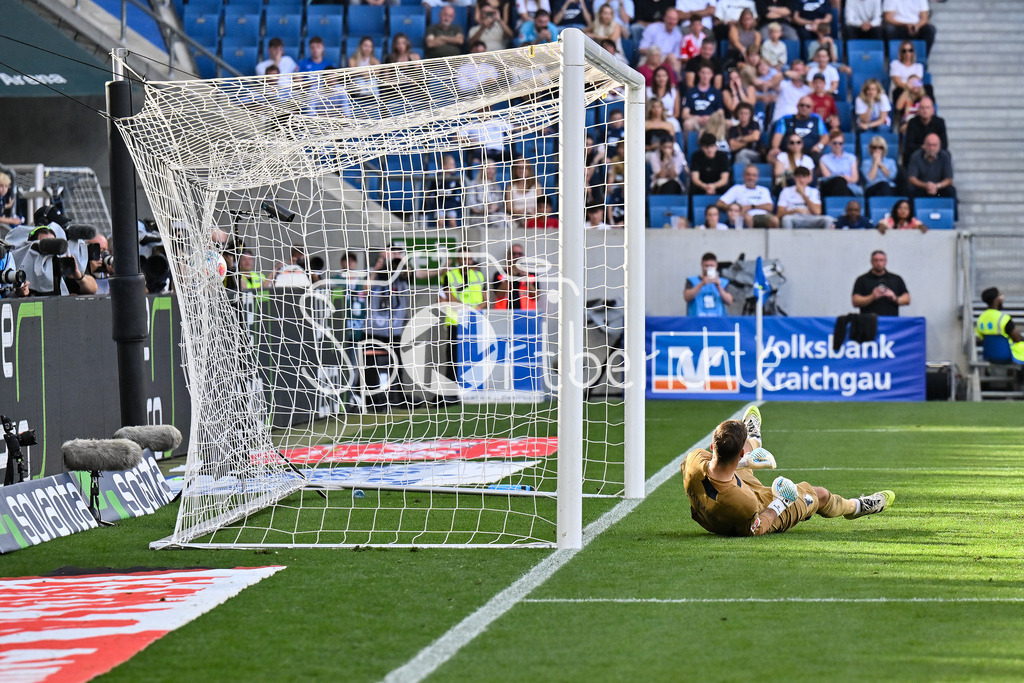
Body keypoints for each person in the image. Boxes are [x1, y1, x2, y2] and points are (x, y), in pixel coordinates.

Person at [682, 406, 895, 537]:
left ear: (712, 445)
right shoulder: (745, 503)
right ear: (737, 456)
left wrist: (745, 462)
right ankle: (856, 507)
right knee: (819, 494)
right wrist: (781, 502)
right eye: (741, 456)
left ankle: (754, 439)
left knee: (742, 448)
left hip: (717, 497)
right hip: (748, 511)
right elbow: (757, 527)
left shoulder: (694, 459)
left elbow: (719, 463)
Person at [769, 95, 828, 163]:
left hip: (811, 154)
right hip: (788, 154)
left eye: (808, 106)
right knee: (773, 156)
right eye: (802, 105)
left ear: (812, 108)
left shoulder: (817, 119)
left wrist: (819, 146)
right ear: (797, 106)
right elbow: (778, 135)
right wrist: (775, 147)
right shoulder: (786, 119)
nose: (804, 108)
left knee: (824, 160)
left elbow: (825, 136)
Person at [851, 249, 910, 316]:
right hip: (868, 322)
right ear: (871, 262)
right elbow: (855, 301)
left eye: (881, 260)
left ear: (885, 261)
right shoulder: (862, 280)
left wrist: (895, 298)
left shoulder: (896, 279)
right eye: (876, 260)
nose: (879, 263)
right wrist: (872, 297)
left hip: (891, 322)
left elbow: (907, 299)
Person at [975, 287, 1024, 365]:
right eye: (1000, 296)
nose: (1002, 298)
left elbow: (981, 337)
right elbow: (1017, 338)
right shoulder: (1003, 318)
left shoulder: (981, 318)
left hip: (989, 355)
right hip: (1006, 355)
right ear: (996, 300)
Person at [907, 133, 956, 205]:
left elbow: (949, 179)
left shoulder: (945, 156)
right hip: (922, 188)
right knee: (911, 190)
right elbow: (912, 178)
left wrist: (937, 186)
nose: (932, 148)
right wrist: (926, 185)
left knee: (951, 191)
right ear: (924, 145)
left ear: (939, 146)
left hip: (939, 189)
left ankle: (954, 216)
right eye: (929, 145)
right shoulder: (916, 156)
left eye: (934, 145)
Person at [684, 251, 734, 316]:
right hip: (696, 320)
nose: (708, 269)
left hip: (718, 321)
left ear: (716, 266)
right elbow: (687, 297)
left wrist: (719, 287)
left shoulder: (723, 282)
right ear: (702, 265)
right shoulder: (692, 280)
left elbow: (729, 301)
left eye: (711, 266)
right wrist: (702, 284)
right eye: (706, 266)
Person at [902, 96, 946, 167]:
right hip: (918, 152)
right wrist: (925, 148)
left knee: (946, 154)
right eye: (922, 108)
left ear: (932, 110)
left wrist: (932, 148)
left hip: (935, 151)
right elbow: (909, 144)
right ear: (918, 110)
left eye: (927, 108)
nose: (925, 111)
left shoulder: (940, 122)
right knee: (907, 155)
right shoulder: (912, 123)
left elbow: (944, 144)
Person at [492, 243, 539, 308]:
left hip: (526, 314)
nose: (516, 256)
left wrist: (526, 278)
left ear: (523, 256)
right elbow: (499, 294)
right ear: (508, 256)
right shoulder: (500, 274)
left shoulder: (532, 275)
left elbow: (536, 296)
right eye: (513, 254)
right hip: (504, 314)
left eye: (519, 254)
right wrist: (510, 276)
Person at [818, 131, 862, 197]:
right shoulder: (824, 159)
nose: (837, 146)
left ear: (843, 144)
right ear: (830, 143)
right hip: (832, 187)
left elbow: (855, 178)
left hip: (848, 187)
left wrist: (842, 178)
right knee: (839, 181)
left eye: (840, 143)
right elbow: (828, 177)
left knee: (843, 186)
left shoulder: (851, 158)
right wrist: (843, 177)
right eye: (835, 143)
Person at [639, 8, 682, 75]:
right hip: (650, 56)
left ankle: (676, 83)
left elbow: (677, 56)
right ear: (664, 18)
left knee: (674, 59)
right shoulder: (653, 28)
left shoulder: (678, 35)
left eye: (674, 19)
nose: (672, 22)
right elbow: (642, 49)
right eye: (669, 18)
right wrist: (656, 55)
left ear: (677, 21)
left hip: (667, 60)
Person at [681, 64, 724, 132]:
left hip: (711, 120)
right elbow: (684, 114)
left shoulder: (716, 92)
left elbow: (720, 113)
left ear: (712, 75)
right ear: (699, 73)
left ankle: (720, 142)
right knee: (687, 124)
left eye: (708, 73)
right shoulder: (690, 92)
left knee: (726, 123)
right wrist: (697, 118)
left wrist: (710, 118)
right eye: (703, 72)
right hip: (696, 120)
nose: (705, 76)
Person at [726, 101, 762, 166]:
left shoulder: (754, 124)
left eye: (746, 113)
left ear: (750, 114)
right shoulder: (733, 129)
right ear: (737, 114)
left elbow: (756, 137)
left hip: (754, 154)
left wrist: (740, 139)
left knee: (742, 153)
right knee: (741, 155)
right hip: (737, 155)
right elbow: (732, 146)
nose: (743, 115)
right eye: (741, 113)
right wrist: (748, 140)